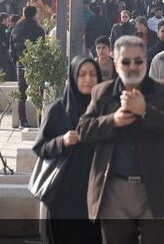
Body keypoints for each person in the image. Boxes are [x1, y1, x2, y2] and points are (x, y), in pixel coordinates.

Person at [77, 36, 164, 244]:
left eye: (138, 61)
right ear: (116, 64)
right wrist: (112, 121)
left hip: (155, 187)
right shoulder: (102, 92)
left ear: (145, 61)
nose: (132, 66)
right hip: (114, 189)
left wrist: (145, 111)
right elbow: (83, 130)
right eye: (126, 61)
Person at [33, 56, 103, 244]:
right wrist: (61, 141)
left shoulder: (105, 109)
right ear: (73, 77)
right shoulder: (59, 109)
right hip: (64, 197)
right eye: (82, 74)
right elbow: (40, 147)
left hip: (97, 196)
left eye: (92, 74)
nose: (88, 79)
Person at [12, 5, 45, 128]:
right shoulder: (39, 30)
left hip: (21, 65)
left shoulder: (16, 28)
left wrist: (17, 63)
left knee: (22, 94)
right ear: (34, 15)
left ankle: (22, 121)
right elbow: (42, 48)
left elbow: (12, 49)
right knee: (39, 93)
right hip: (35, 65)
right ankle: (40, 119)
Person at [0, 13, 16, 81]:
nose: (9, 22)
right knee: (2, 79)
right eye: (8, 20)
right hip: (1, 57)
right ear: (4, 20)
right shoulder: (1, 30)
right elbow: (6, 43)